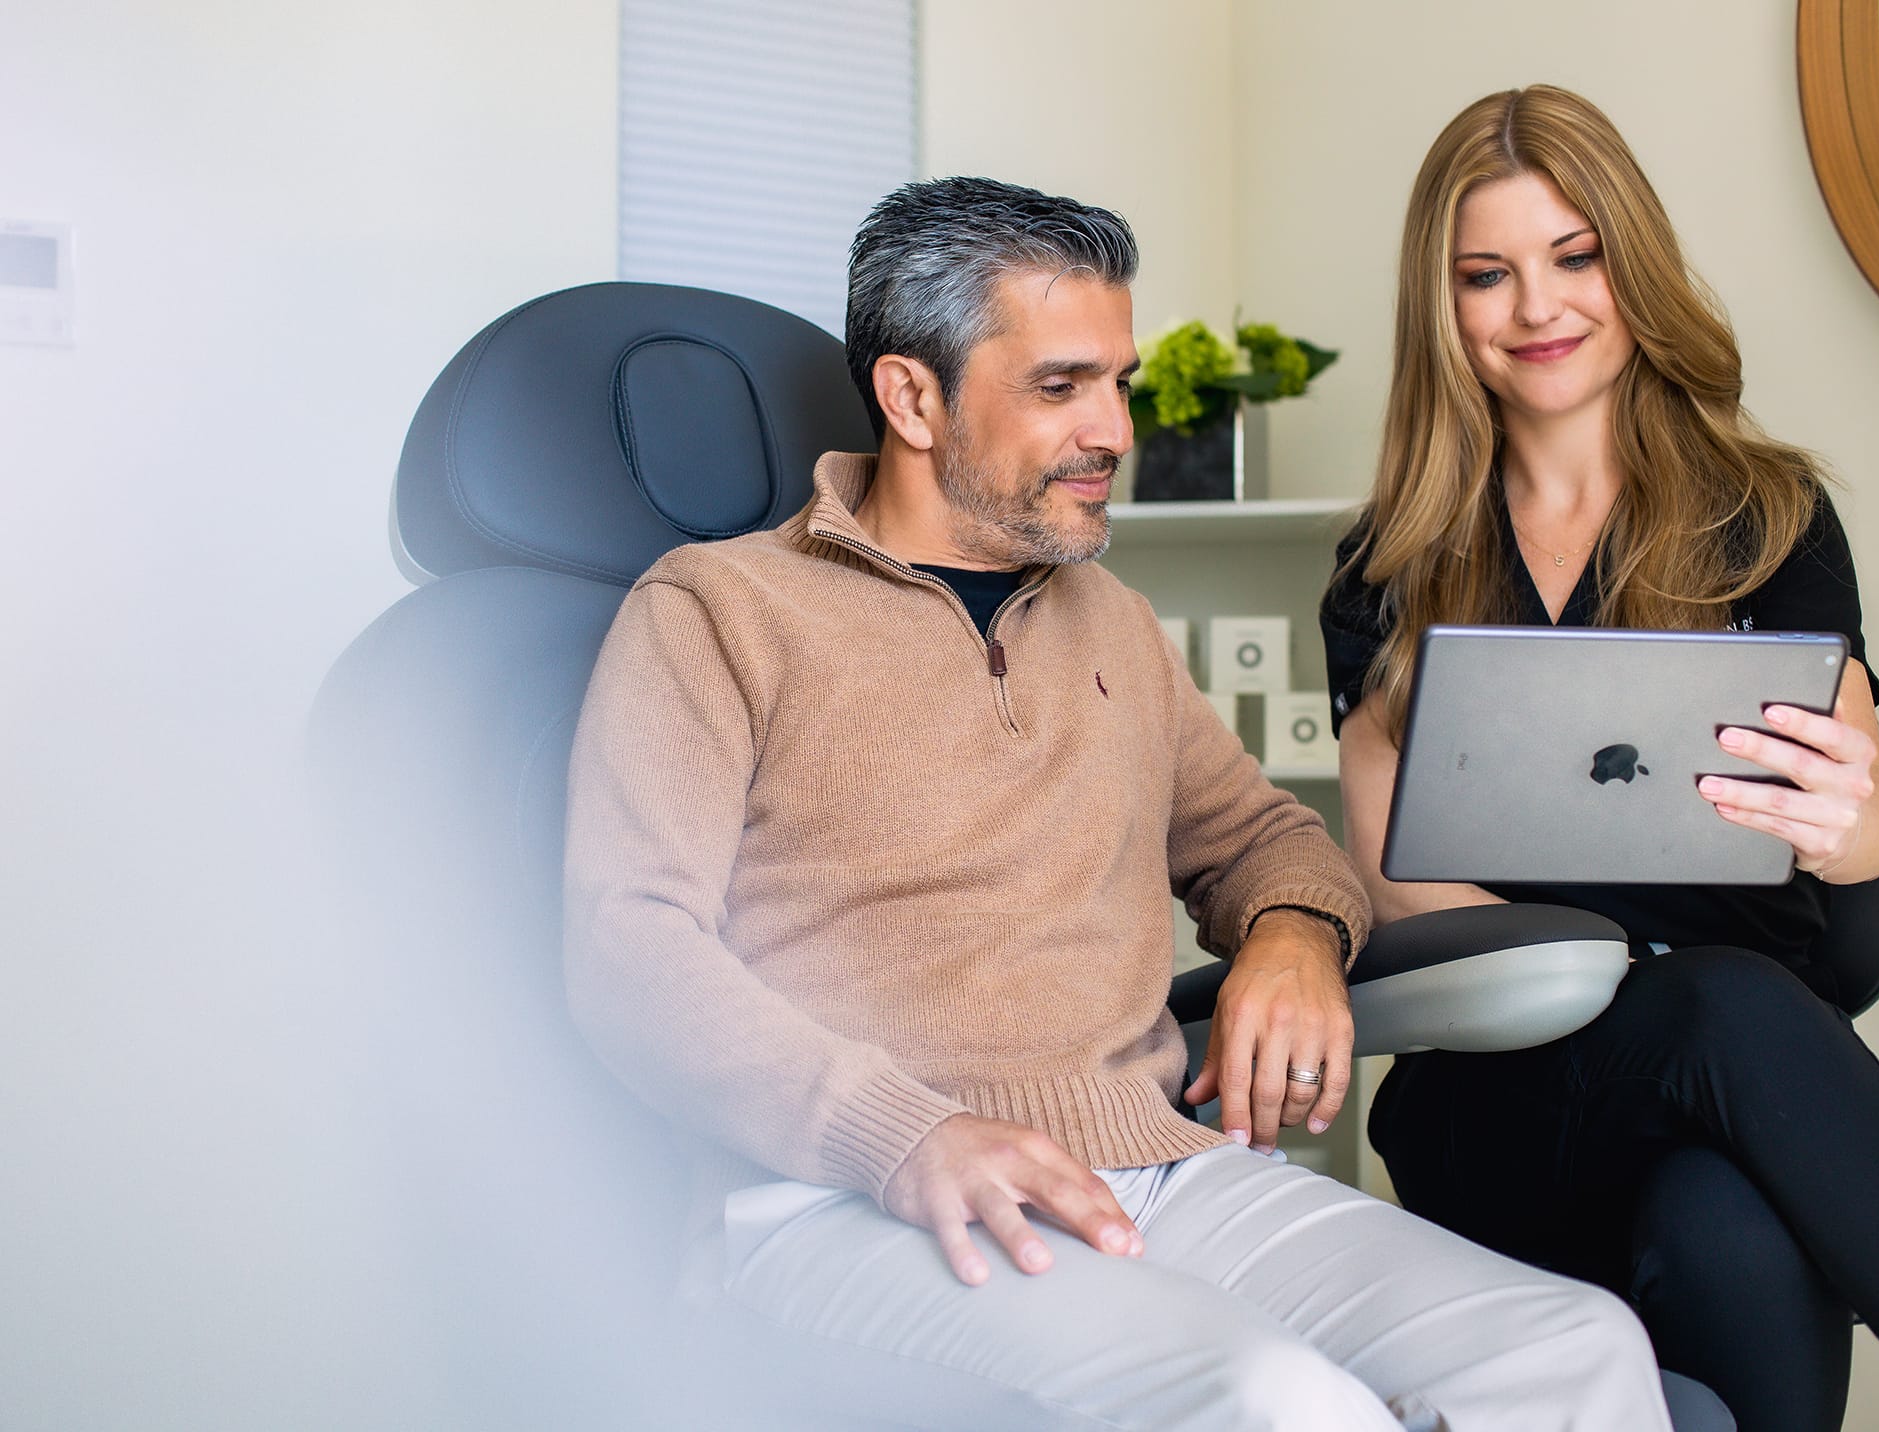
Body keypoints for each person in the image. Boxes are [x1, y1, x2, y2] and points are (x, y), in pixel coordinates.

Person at [563, 175, 1672, 1429]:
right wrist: (898, 1133)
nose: (1112, 429)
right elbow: (630, 947)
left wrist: (1297, 938)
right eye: (1059, 386)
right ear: (912, 397)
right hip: (842, 1198)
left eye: (1120, 382)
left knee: (1573, 1347)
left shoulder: (1111, 621)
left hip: (1155, 1170)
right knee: (1278, 1401)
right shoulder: (718, 610)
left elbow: (1266, 840)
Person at [1321, 84, 1879, 1432]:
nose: (1537, 307)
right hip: (1507, 1094)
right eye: (1489, 275)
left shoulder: (1765, 516)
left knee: (1729, 1220)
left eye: (1573, 257)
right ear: (1446, 306)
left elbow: (1870, 818)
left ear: (1628, 264)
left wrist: (1852, 822)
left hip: (1734, 1089)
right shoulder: (1386, 570)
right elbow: (1405, 898)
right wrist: (1639, 984)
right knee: (1729, 1005)